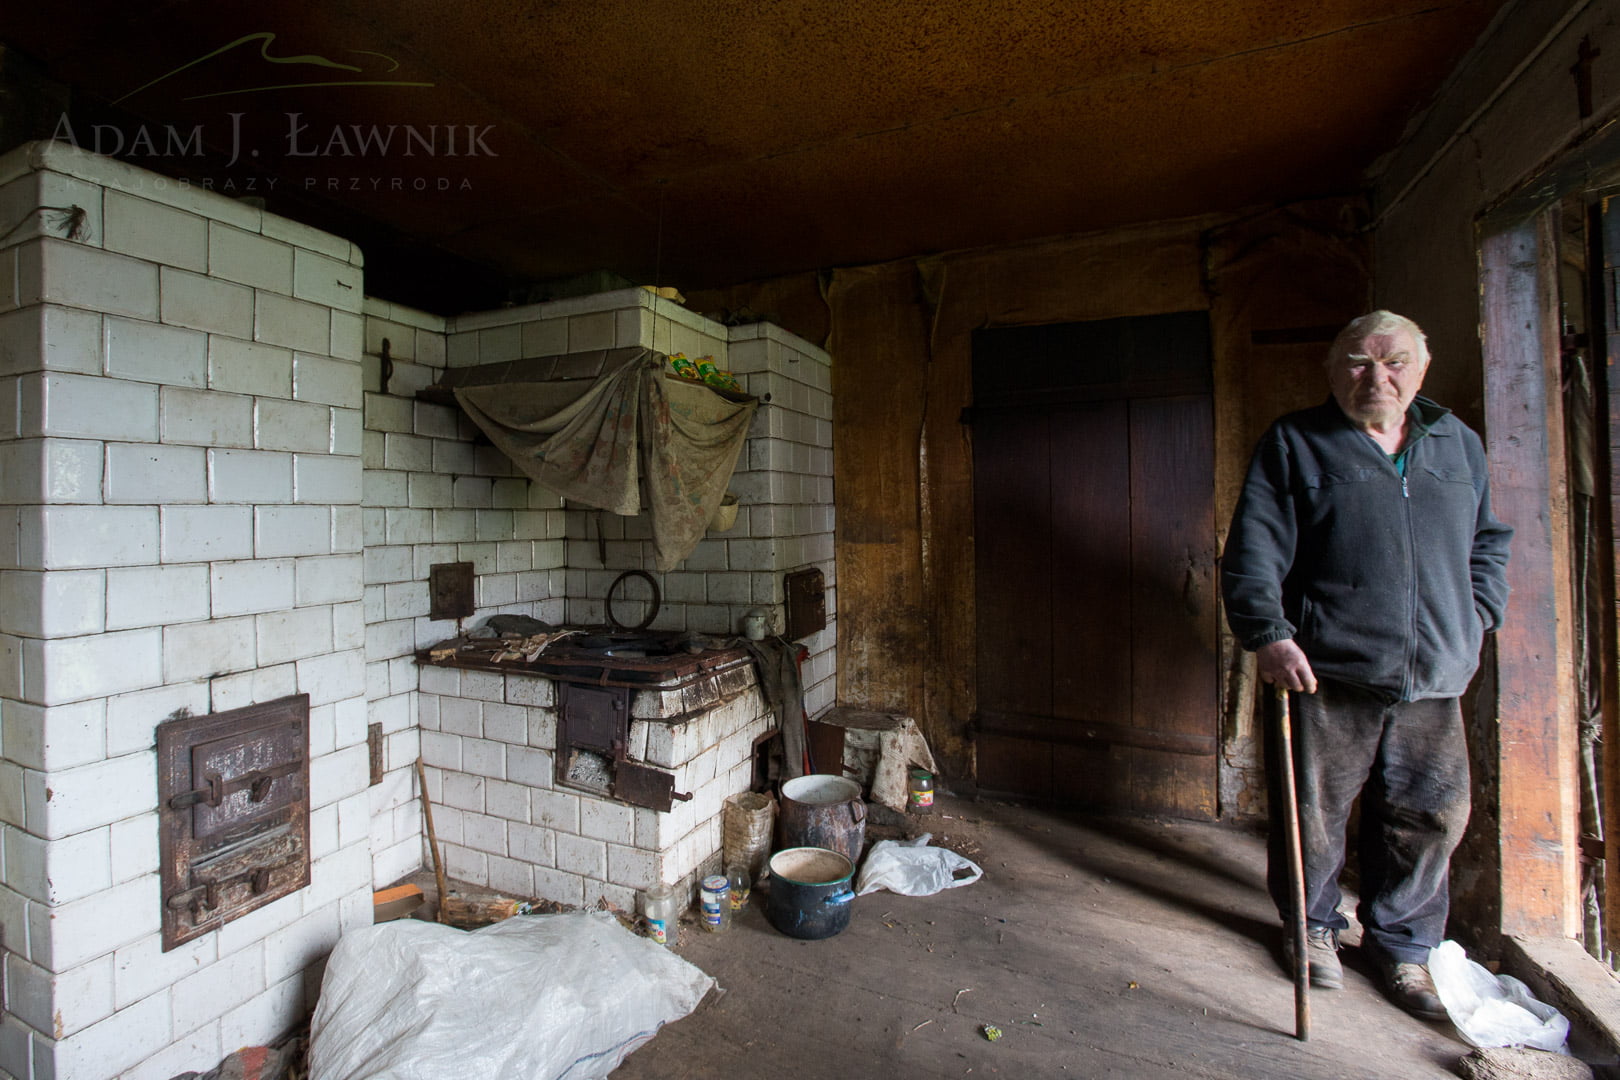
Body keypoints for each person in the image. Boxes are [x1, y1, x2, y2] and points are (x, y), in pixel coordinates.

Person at [1221, 310, 1512, 1019]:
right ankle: (1312, 928)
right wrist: (1269, 634)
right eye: (1356, 362)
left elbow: (1490, 541)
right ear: (1331, 370)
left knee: (1428, 816)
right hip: (1325, 669)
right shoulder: (1296, 442)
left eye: (1394, 362)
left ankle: (1404, 949)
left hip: (1436, 674)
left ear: (1423, 366)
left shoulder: (1457, 445)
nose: (1375, 378)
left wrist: (1476, 620)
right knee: (1313, 813)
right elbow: (1255, 548)